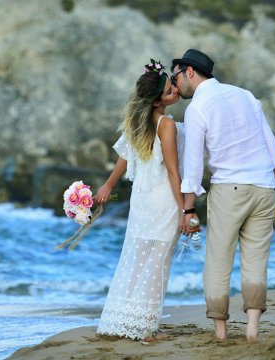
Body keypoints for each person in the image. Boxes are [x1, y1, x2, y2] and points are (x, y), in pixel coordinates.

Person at [171, 49, 275, 342]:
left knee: (219, 261)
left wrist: (188, 209)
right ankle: (251, 330)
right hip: (264, 187)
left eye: (176, 76)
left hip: (229, 190)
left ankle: (221, 332)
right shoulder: (245, 95)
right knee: (256, 260)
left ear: (190, 73)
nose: (175, 84)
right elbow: (270, 144)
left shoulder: (198, 107)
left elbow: (194, 167)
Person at [94, 59, 184, 342]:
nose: (176, 92)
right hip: (163, 202)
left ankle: (124, 319)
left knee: (136, 259)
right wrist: (186, 209)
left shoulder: (138, 123)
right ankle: (146, 329)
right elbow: (172, 171)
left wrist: (108, 185)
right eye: (170, 91)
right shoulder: (166, 125)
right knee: (157, 263)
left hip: (142, 201)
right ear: (158, 102)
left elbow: (123, 158)